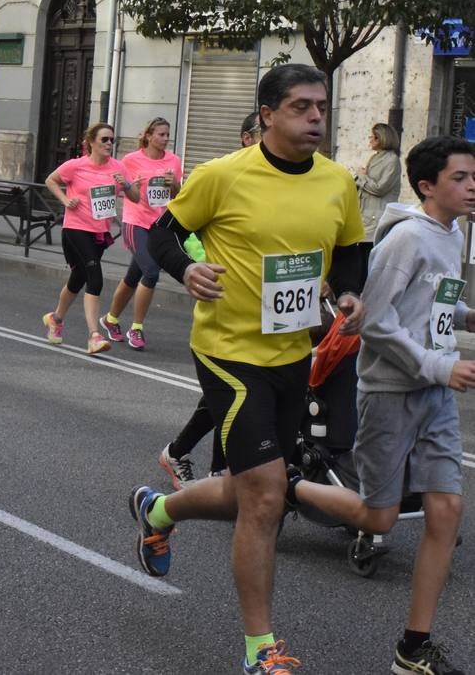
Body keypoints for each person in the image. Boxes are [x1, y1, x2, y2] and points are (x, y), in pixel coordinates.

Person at [129, 64, 365, 675]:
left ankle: (160, 511)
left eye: (321, 107)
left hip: (294, 353)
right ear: (267, 115)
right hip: (229, 352)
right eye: (301, 107)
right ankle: (261, 649)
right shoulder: (222, 176)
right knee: (265, 498)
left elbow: (350, 250)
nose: (316, 117)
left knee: (261, 491)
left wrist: (347, 292)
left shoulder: (338, 181)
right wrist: (187, 271)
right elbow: (162, 237)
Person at [289, 135, 474, 675]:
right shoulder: (405, 240)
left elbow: (436, 299)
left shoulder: (452, 232)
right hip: (392, 394)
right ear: (427, 186)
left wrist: (466, 317)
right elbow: (375, 320)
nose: (471, 186)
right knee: (381, 515)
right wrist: (443, 365)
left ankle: (412, 647)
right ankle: (287, 486)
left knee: (447, 509)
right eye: (460, 178)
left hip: (435, 396)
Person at [159, 114, 261, 488]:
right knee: (233, 392)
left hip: (277, 317)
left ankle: (200, 460)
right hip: (222, 298)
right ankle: (202, 464)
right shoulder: (224, 177)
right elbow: (170, 228)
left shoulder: (294, 182)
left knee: (234, 395)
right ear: (247, 137)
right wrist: (187, 269)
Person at [41, 123, 140, 354]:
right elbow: (51, 180)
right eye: (104, 139)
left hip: (99, 232)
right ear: (91, 142)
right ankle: (94, 336)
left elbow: (135, 197)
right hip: (75, 228)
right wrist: (65, 201)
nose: (108, 144)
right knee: (95, 277)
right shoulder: (76, 165)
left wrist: (125, 184)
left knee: (78, 277)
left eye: (111, 140)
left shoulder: (118, 167)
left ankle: (55, 319)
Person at [101, 117, 184, 350]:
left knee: (132, 277)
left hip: (160, 225)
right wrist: (132, 186)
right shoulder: (130, 160)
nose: (166, 139)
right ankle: (136, 328)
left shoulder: (174, 161)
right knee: (150, 271)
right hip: (135, 222)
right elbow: (119, 188)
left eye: (168, 135)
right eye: (161, 134)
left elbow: (179, 195)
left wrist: (173, 184)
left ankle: (110, 319)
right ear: (148, 136)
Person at [355, 121, 402, 276]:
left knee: (369, 260)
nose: (370, 140)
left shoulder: (392, 160)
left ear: (382, 139)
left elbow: (380, 188)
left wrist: (362, 177)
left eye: (373, 137)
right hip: (365, 216)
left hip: (377, 217)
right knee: (361, 259)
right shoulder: (375, 158)